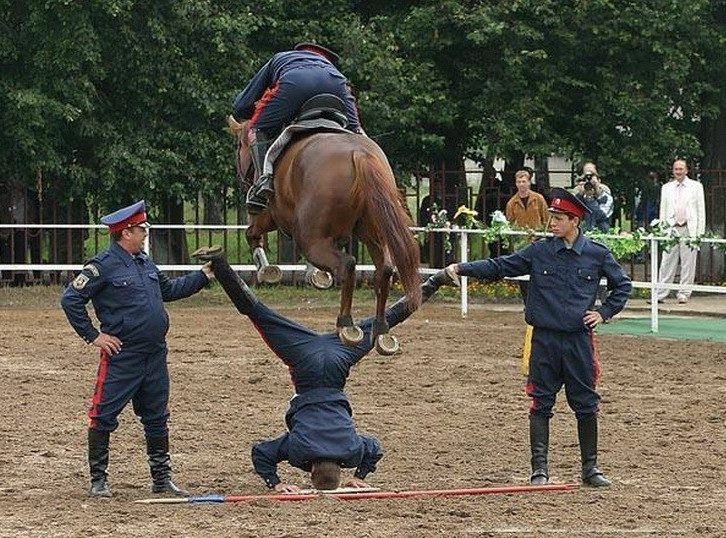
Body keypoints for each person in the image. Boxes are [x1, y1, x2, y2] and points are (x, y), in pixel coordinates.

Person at [192, 246, 446, 492]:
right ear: (311, 471)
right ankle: (221, 263)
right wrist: (275, 483)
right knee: (259, 313)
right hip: (304, 361)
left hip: (339, 359)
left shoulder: (353, 451)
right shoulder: (298, 451)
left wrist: (360, 475)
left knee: (386, 320)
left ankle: (435, 281)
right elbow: (261, 452)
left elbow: (375, 448)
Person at [442, 188, 632, 488]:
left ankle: (590, 468)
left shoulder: (597, 253)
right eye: (552, 217)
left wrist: (604, 313)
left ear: (574, 220)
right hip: (544, 339)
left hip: (578, 342)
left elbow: (623, 285)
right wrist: (462, 268)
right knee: (541, 403)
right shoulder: (539, 251)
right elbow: (500, 266)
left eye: (558, 218)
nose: (551, 223)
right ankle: (539, 470)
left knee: (585, 404)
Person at [60, 201, 213, 498]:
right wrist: (94, 336)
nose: (145, 233)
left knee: (157, 417)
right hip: (123, 355)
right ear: (126, 231)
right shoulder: (102, 265)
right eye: (141, 229)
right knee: (103, 414)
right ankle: (99, 481)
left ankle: (161, 479)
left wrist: (203, 276)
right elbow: (71, 300)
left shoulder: (144, 262)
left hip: (155, 354)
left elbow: (169, 291)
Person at [232, 43, 363, 211]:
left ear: (299, 52)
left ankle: (263, 182)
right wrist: (355, 127)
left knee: (256, 130)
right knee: (357, 134)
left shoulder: (281, 58)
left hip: (296, 81)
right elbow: (352, 115)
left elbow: (244, 103)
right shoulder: (331, 68)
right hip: (336, 85)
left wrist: (245, 111)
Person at [656, 159, 706, 304]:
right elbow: (663, 211)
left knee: (688, 263)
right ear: (673, 170)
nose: (678, 172)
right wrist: (663, 230)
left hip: (689, 228)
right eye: (676, 169)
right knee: (666, 261)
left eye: (681, 169)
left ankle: (684, 293)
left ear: (686, 170)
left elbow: (701, 211)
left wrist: (699, 233)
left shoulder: (696, 186)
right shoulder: (666, 187)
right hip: (671, 228)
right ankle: (661, 293)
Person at [505, 169, 549, 304]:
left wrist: (543, 235)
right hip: (521, 243)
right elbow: (509, 223)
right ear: (516, 184)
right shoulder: (512, 203)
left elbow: (546, 219)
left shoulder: (539, 199)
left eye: (524, 181)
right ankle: (527, 302)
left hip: (538, 240)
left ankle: (541, 302)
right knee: (522, 274)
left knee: (540, 272)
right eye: (519, 181)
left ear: (529, 183)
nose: (521, 184)